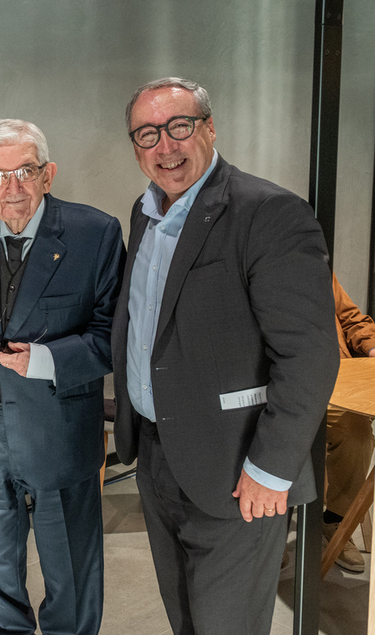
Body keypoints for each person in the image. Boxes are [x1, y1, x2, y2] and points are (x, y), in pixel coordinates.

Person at [112, 76, 340, 635]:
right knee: (187, 620)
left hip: (240, 469)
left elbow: (309, 357)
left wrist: (271, 469)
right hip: (159, 456)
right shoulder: (145, 214)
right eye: (147, 134)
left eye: (179, 127)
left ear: (209, 129)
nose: (165, 146)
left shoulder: (269, 214)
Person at [0, 118, 124, 635]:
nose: (12, 187)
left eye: (25, 171)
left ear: (49, 174)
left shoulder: (96, 233)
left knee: (72, 578)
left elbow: (115, 337)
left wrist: (44, 359)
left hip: (59, 434)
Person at [324, 272, 375, 572]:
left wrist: (370, 347)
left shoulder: (317, 267)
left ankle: (336, 520)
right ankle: (271, 534)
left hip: (335, 375)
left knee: (358, 434)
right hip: (277, 380)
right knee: (284, 433)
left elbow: (352, 319)